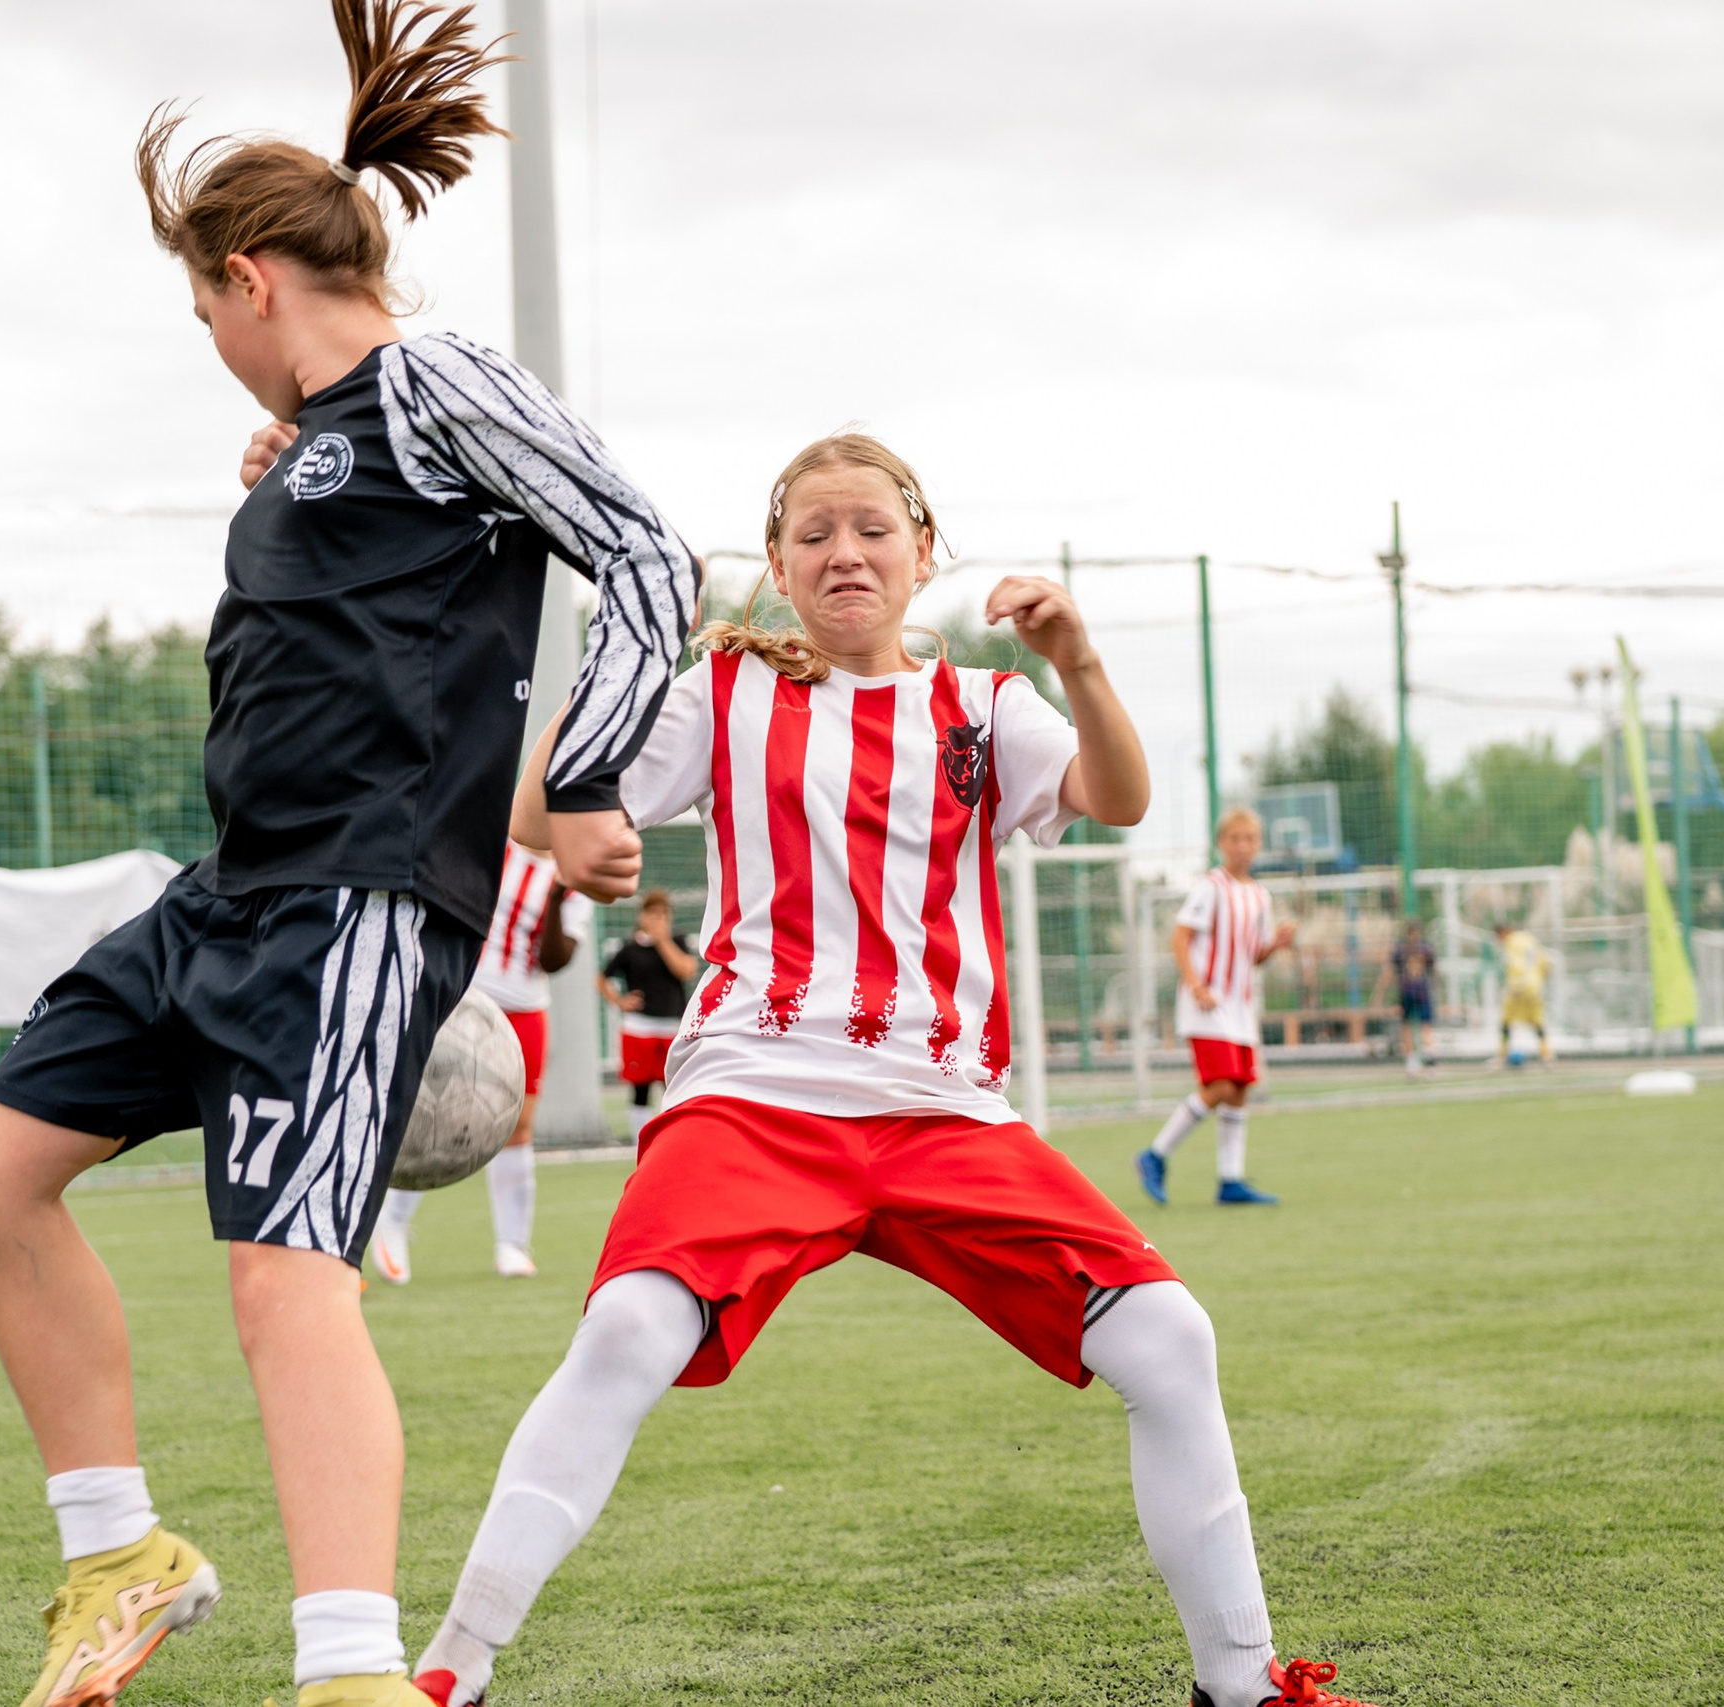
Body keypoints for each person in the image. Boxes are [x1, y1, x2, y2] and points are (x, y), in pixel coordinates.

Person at [0, 7, 694, 1704]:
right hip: (224, 896)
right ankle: (119, 1553)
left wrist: (579, 776)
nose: (208, 336)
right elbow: (394, 660)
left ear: (252, 278)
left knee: (286, 1277)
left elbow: (645, 551)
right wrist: (296, 470)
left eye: (201, 303)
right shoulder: (322, 441)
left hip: (351, 912)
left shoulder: (437, 384)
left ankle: (352, 1669)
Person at [406, 435, 1369, 1707]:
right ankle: (449, 1674)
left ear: (924, 552)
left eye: (870, 529)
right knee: (629, 1327)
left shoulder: (984, 708)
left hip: (942, 1111)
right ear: (778, 566)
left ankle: (1244, 1687)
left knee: (1169, 1339)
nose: (842, 553)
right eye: (811, 535)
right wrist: (596, 724)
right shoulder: (725, 691)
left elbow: (1119, 799)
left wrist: (1076, 660)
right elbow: (540, 807)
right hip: (753, 1094)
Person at [372, 840, 590, 1283]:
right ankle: (391, 1223)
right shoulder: (497, 844)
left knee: (518, 1126)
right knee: (426, 1112)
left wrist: (555, 892)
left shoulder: (575, 874)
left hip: (525, 1006)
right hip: (464, 995)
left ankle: (511, 1244)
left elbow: (555, 959)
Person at [1138, 808, 1296, 1208]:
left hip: (1241, 1008)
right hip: (1208, 1005)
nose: (1243, 846)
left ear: (1258, 845)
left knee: (1239, 1090)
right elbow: (1179, 937)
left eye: (1250, 839)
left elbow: (1253, 956)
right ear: (1221, 843)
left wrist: (1275, 945)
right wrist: (1196, 985)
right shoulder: (1211, 886)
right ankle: (1155, 1154)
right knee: (1221, 1085)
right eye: (1235, 838)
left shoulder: (1261, 896)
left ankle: (1230, 1181)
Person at [600, 888, 696, 1140]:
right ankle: (639, 1141)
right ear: (641, 915)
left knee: (675, 1086)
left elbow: (686, 970)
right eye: (652, 912)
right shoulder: (630, 949)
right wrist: (619, 1001)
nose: (657, 918)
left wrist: (662, 940)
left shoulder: (677, 941)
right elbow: (601, 978)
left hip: (673, 1028)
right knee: (640, 1089)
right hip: (638, 1028)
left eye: (663, 913)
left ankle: (676, 1137)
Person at [1494, 920, 1554, 1066]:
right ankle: (1546, 1055)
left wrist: (1516, 987)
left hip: (1519, 987)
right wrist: (1540, 980)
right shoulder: (1530, 939)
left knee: (1506, 1020)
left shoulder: (1511, 942)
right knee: (1537, 1021)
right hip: (1535, 987)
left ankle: (1502, 1055)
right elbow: (1545, 962)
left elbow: (1517, 965)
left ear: (1503, 933)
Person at [1389, 919, 1437, 1076]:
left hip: (1412, 992)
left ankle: (1418, 1059)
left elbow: (1392, 972)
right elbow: (1432, 971)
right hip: (1415, 992)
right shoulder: (1423, 949)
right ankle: (1421, 1058)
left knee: (1415, 1026)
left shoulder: (1403, 949)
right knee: (1416, 1026)